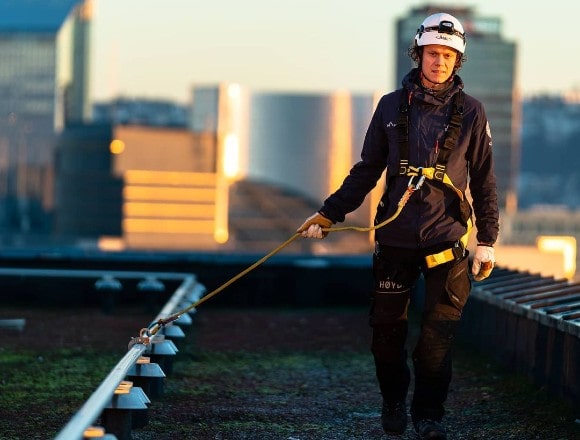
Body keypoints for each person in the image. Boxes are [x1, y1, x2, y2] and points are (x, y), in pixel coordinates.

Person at [297, 11, 499, 440]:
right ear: (418, 55)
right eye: (431, 54)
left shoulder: (474, 114)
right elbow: (367, 169)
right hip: (395, 238)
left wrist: (487, 240)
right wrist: (330, 213)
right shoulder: (391, 106)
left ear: (456, 60)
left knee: (435, 341)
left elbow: (484, 180)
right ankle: (393, 401)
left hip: (446, 239)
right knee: (387, 337)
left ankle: (429, 418)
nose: (438, 61)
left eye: (446, 55)